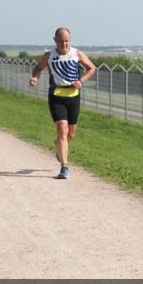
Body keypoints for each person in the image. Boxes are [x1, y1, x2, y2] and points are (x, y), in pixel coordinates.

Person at [29, 28, 96, 179]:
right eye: (61, 41)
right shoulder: (49, 55)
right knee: (62, 129)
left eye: (66, 41)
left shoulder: (76, 53)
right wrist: (35, 77)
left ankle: (59, 145)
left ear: (70, 40)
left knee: (70, 134)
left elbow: (92, 68)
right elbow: (38, 68)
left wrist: (81, 81)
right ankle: (64, 167)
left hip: (73, 96)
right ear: (55, 41)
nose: (64, 44)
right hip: (56, 95)